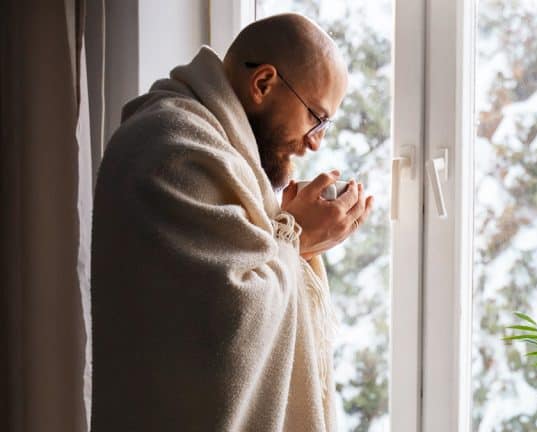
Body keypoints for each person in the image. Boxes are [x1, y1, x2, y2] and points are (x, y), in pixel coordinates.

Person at [91, 13, 372, 432]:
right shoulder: (173, 147)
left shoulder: (207, 144)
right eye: (316, 117)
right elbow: (225, 318)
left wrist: (292, 233)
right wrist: (296, 233)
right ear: (262, 83)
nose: (316, 141)